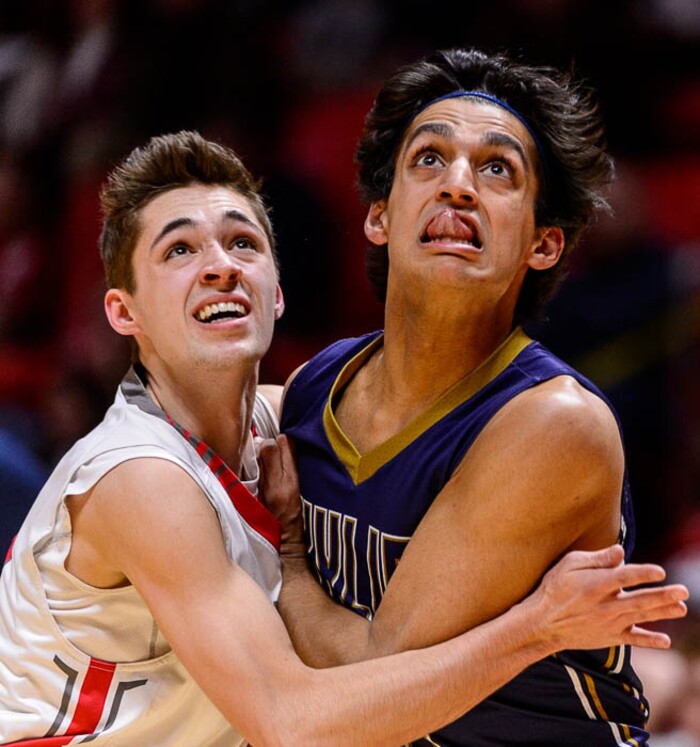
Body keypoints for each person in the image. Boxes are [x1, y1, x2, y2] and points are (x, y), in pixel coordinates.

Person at [0, 132, 686, 747]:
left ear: (275, 294)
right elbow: (295, 725)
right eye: (179, 249)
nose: (219, 266)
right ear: (123, 310)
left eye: (243, 242)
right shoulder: (143, 476)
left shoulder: (285, 419)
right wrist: (538, 626)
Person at [271, 47, 668, 745]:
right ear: (378, 216)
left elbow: (372, 693)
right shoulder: (314, 389)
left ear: (543, 244)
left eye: (497, 169)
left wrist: (291, 555)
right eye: (429, 158)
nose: (458, 184)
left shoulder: (553, 424)